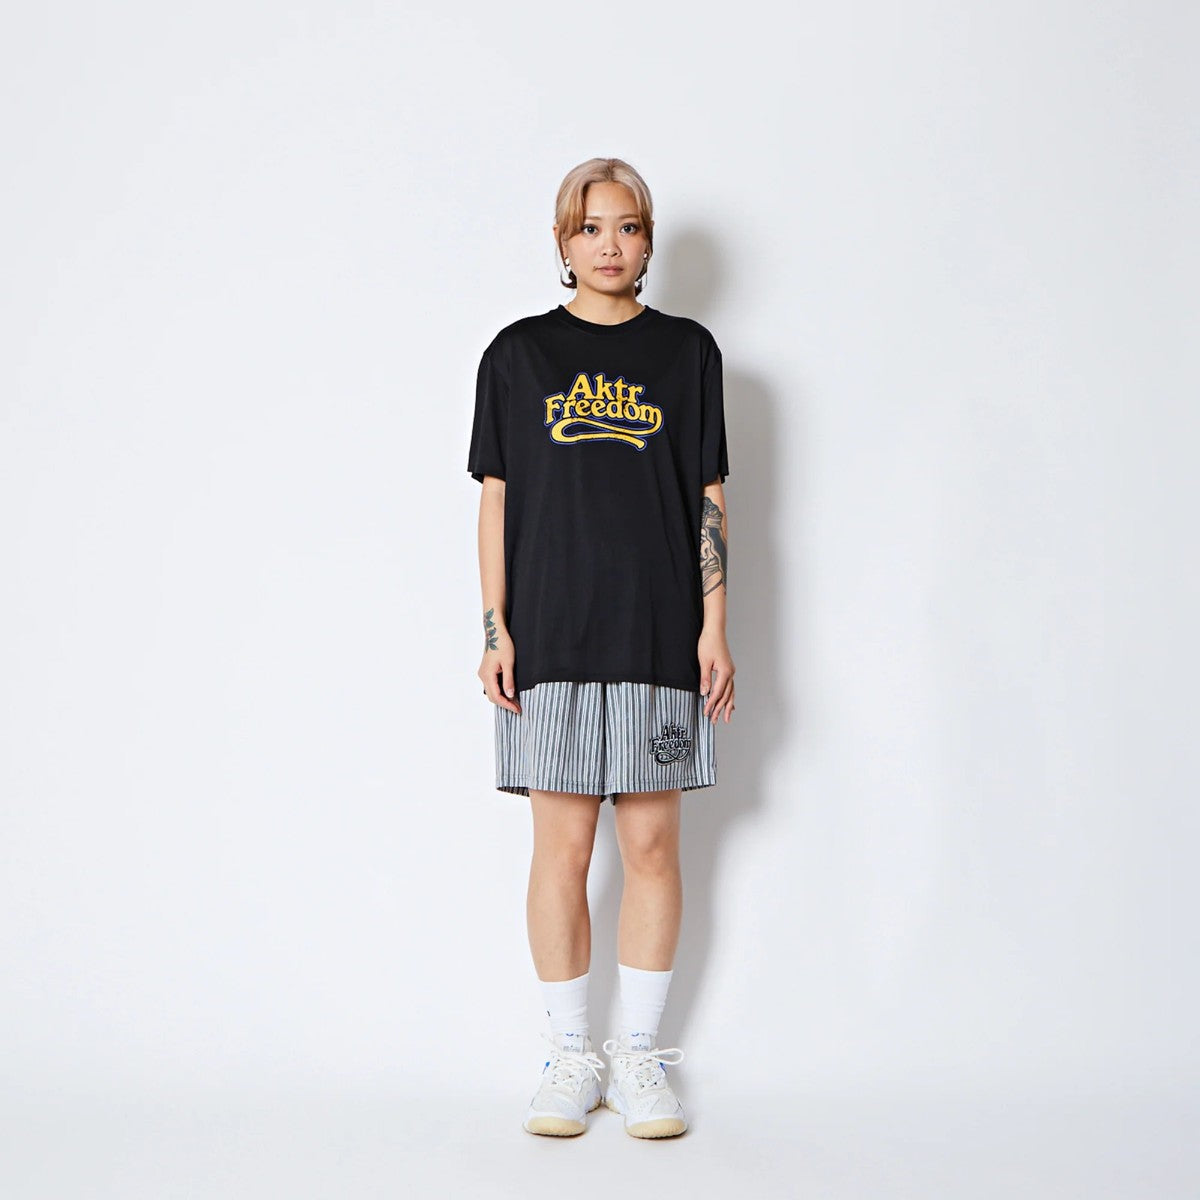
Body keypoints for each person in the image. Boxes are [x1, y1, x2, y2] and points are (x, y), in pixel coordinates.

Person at [466, 157, 735, 1139]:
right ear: (562, 241)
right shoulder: (518, 355)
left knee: (653, 846)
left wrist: (714, 626)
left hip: (660, 637)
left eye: (627, 226)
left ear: (648, 240)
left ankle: (642, 1060)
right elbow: (496, 502)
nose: (609, 245)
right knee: (563, 849)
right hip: (552, 640)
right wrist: (495, 629)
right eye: (590, 228)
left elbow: (708, 498)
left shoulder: (688, 353)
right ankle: (571, 1056)